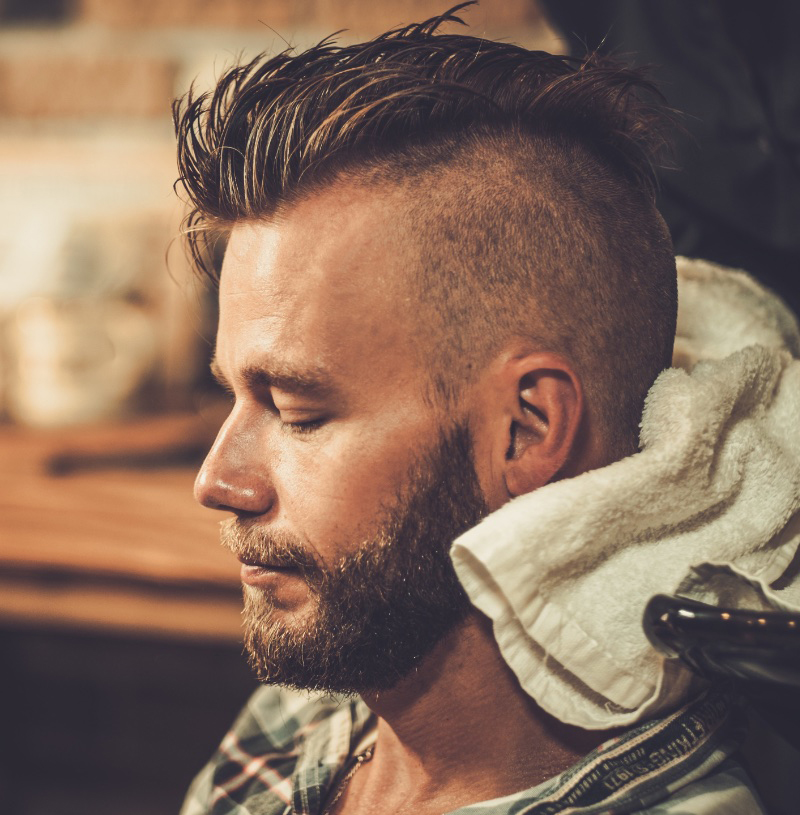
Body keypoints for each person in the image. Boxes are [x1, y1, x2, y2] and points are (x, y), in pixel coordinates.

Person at [173, 5, 768, 814]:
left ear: (527, 430)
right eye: (234, 395)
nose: (218, 480)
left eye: (300, 412)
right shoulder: (306, 710)